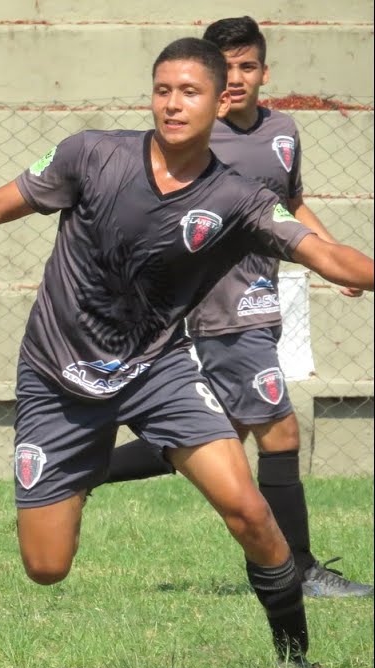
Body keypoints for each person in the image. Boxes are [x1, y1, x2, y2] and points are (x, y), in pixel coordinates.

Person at [0, 37, 374, 668]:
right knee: (46, 568)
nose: (172, 104)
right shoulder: (91, 154)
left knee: (248, 510)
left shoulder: (237, 196)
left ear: (217, 98)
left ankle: (294, 661)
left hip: (158, 371)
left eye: (189, 92)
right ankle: (78, 474)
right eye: (162, 90)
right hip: (56, 374)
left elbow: (328, 255)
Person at [100, 16, 371, 599]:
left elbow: (290, 204)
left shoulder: (284, 130)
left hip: (263, 300)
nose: (237, 79)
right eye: (227, 69)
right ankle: (300, 571)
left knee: (216, 434)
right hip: (220, 312)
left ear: (263, 72)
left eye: (248, 66)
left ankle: (77, 469)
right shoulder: (194, 137)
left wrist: (327, 258)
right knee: (279, 433)